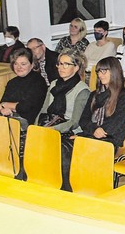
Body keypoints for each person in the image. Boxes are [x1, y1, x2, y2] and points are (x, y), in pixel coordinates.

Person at [36, 48, 90, 191]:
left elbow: (74, 122)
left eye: (66, 64)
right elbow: (43, 110)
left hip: (70, 132)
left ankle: (64, 189)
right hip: (50, 125)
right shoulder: (54, 84)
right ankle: (36, 184)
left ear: (76, 67)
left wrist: (50, 130)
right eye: (59, 64)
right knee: (26, 141)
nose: (61, 67)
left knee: (59, 150)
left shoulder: (82, 91)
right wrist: (35, 128)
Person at [77, 57, 125, 151]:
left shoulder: (123, 96)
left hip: (110, 140)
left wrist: (98, 131)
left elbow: (116, 124)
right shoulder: (94, 95)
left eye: (104, 71)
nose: (100, 75)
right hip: (91, 134)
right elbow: (83, 119)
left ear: (114, 72)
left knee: (79, 151)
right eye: (98, 71)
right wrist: (94, 129)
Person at [0, 48, 47, 125]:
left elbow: (25, 107)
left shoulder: (38, 81)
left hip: (27, 122)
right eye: (16, 64)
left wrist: (6, 105)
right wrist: (5, 108)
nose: (19, 67)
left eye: (23, 64)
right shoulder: (12, 82)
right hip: (9, 118)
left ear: (32, 64)